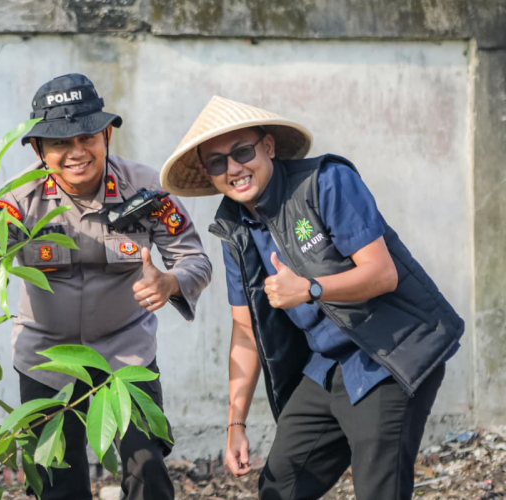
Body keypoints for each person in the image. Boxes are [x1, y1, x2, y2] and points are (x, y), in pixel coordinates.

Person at [159, 96, 464, 500]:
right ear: (207, 172)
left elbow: (382, 273)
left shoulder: (325, 182)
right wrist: (236, 424)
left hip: (389, 354)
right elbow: (245, 328)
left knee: (379, 489)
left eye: (242, 152)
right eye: (217, 162)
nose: (233, 168)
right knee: (279, 487)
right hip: (326, 364)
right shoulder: (233, 226)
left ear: (268, 147)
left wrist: (309, 288)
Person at [0, 73, 212, 500]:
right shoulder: (18, 199)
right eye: (59, 142)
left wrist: (170, 283)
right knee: (58, 484)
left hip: (127, 354)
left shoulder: (147, 190)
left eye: (87, 136)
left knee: (147, 470)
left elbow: (194, 258)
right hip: (46, 359)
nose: (76, 152)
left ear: (107, 134)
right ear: (39, 150)